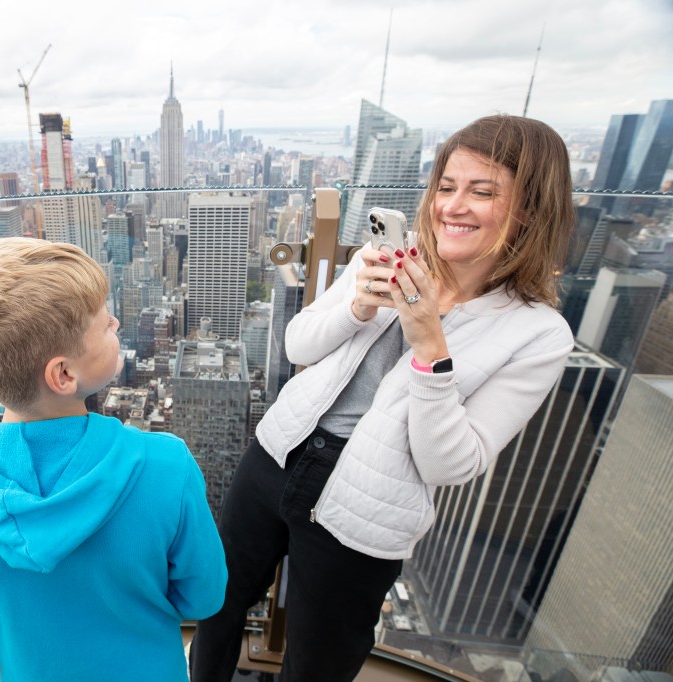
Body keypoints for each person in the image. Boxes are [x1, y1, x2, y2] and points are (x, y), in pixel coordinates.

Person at [190, 114, 576, 682]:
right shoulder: (400, 255)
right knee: (217, 604)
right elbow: (298, 342)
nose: (453, 206)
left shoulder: (538, 334)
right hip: (278, 453)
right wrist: (357, 306)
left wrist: (429, 346)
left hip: (369, 508)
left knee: (318, 664)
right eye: (446, 186)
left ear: (531, 208)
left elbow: (452, 463)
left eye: (482, 191)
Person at [0, 238, 227, 681]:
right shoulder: (166, 465)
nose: (116, 321)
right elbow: (204, 597)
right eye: (103, 324)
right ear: (63, 374)